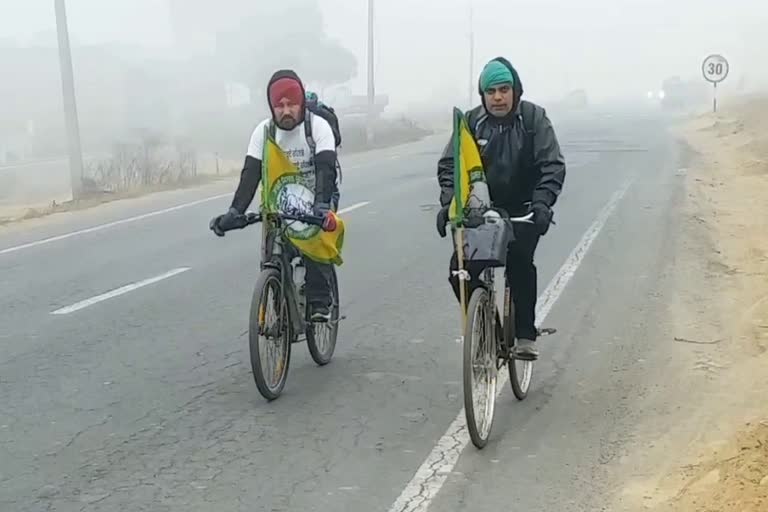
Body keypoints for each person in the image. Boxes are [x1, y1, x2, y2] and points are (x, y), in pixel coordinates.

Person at [435, 57, 566, 360]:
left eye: (504, 89)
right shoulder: (470, 123)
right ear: (482, 94)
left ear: (515, 90)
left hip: (524, 209)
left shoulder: (533, 119)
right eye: (491, 91)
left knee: (520, 263)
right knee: (461, 270)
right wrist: (448, 203)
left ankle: (524, 335)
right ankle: (487, 326)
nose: (498, 97)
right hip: (481, 214)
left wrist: (543, 202)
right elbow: (450, 167)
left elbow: (552, 165)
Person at [209, 69, 339, 322]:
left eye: (292, 104)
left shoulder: (318, 128)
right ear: (272, 106)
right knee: (273, 250)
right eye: (280, 105)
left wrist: (322, 206)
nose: (286, 110)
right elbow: (250, 176)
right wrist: (235, 212)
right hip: (278, 199)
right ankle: (280, 306)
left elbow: (326, 169)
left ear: (301, 102)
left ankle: (319, 301)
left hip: (316, 196)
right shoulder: (264, 132)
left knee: (313, 241)